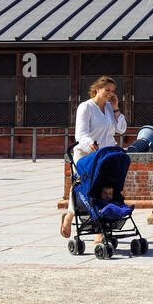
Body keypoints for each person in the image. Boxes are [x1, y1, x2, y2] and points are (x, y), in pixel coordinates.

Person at [61, 76, 128, 241]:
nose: (110, 94)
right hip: (87, 154)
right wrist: (90, 143)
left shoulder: (109, 107)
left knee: (107, 188)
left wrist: (116, 108)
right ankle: (71, 216)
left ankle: (101, 228)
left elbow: (121, 129)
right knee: (84, 187)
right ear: (97, 89)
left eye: (113, 91)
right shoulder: (86, 107)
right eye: (107, 90)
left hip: (106, 156)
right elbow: (80, 133)